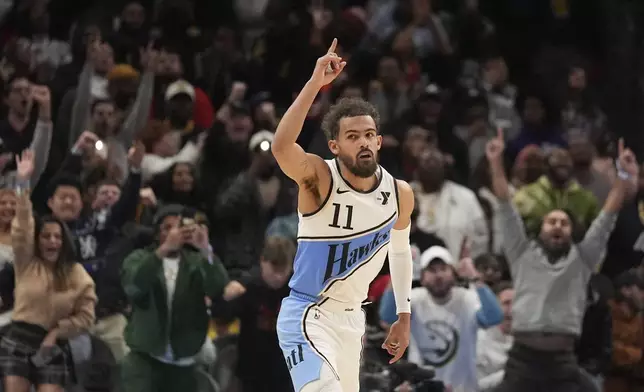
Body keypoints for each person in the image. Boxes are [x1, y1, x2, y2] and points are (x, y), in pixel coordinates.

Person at [272, 38, 414, 392]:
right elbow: (281, 147)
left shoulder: (399, 193)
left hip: (352, 321)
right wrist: (314, 85)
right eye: (353, 136)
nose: (363, 142)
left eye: (369, 135)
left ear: (379, 142)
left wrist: (404, 315)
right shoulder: (319, 178)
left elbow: (399, 251)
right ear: (335, 146)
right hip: (307, 314)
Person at [486, 128, 639, 392]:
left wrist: (624, 175)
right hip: (522, 361)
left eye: (564, 223)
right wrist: (495, 161)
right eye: (551, 222)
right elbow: (504, 204)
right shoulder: (521, 252)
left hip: (564, 362)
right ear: (540, 229)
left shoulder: (583, 258)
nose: (557, 226)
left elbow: (608, 215)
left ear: (572, 232)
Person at [0, 150, 97, 392]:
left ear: (64, 242)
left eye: (57, 237)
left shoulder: (76, 274)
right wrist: (22, 183)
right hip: (18, 339)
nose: (52, 241)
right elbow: (22, 226)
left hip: (52, 345)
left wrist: (57, 332)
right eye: (46, 236)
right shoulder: (26, 262)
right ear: (37, 240)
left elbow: (86, 316)